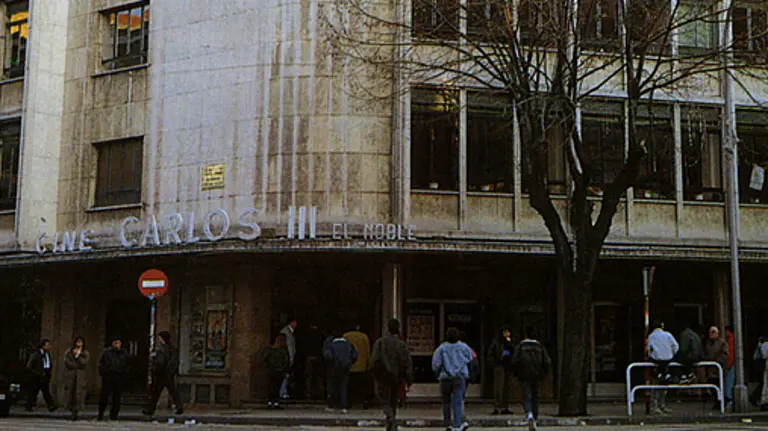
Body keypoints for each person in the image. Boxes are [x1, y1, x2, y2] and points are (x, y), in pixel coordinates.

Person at [371, 318, 413, 431]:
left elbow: (374, 360)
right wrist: (408, 379)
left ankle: (390, 419)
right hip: (396, 377)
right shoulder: (401, 344)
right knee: (393, 400)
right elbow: (407, 362)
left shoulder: (380, 342)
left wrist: (375, 374)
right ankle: (391, 421)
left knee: (384, 399)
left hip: (383, 376)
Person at [510, 326, 551, 431]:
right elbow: (547, 362)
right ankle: (535, 419)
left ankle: (529, 414)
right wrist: (543, 373)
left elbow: (514, 361)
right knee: (536, 397)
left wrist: (517, 373)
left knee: (527, 395)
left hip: (525, 374)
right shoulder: (540, 347)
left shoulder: (521, 346)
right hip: (537, 374)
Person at [432, 327, 473, 431]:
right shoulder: (463, 347)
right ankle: (457, 424)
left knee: (446, 401)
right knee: (457, 400)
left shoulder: (442, 348)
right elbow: (470, 358)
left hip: (445, 377)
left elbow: (435, 364)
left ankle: (447, 423)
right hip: (459, 377)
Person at [143, 331, 184, 416]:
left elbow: (160, 362)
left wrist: (156, 369)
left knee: (156, 393)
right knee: (172, 391)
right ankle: (179, 407)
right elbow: (174, 362)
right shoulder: (172, 349)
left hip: (161, 374)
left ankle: (150, 409)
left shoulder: (161, 349)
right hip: (168, 374)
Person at [648, 321, 678, 415]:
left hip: (656, 362)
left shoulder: (651, 336)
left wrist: (653, 355)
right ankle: (663, 404)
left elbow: (649, 349)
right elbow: (676, 346)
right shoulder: (668, 335)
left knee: (656, 384)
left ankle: (655, 406)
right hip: (668, 361)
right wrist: (671, 354)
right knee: (664, 384)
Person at [323, 329, 358, 413]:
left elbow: (328, 356)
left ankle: (332, 404)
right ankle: (344, 405)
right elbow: (354, 355)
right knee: (344, 386)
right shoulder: (349, 344)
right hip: (346, 368)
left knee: (333, 386)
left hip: (334, 368)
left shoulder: (331, 345)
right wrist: (349, 362)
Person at [98, 335, 130, 421]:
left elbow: (127, 365)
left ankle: (114, 415)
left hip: (119, 377)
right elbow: (101, 364)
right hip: (108, 377)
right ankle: (100, 414)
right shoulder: (107, 352)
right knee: (104, 396)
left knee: (117, 398)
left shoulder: (124, 353)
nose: (117, 345)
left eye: (119, 343)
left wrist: (124, 375)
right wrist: (104, 373)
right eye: (116, 343)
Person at [486, 326, 514, 415]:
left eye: (508, 332)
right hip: (499, 366)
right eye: (505, 332)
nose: (506, 334)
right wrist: (494, 363)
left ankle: (505, 406)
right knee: (499, 387)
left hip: (508, 366)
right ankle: (497, 406)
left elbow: (514, 351)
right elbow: (490, 354)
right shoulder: (497, 343)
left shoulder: (510, 343)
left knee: (507, 387)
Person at [25, 338, 57, 412]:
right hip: (37, 376)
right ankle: (28, 405)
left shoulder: (47, 354)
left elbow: (49, 363)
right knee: (34, 391)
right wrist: (36, 373)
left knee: (46, 391)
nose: (49, 347)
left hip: (45, 374)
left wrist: (49, 372)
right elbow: (29, 366)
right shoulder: (36, 355)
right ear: (42, 346)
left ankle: (51, 405)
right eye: (47, 345)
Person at [62, 336, 90, 421]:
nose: (78, 344)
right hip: (71, 376)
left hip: (80, 377)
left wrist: (78, 356)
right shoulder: (69, 352)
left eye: (80, 342)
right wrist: (75, 364)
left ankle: (76, 411)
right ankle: (71, 410)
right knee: (70, 393)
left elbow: (84, 363)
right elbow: (67, 362)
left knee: (78, 395)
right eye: (77, 342)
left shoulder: (85, 353)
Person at [344, 325, 372, 408]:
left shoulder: (346, 336)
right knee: (361, 386)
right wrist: (368, 363)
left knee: (350, 385)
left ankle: (349, 403)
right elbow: (368, 351)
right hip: (362, 365)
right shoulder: (364, 337)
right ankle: (362, 402)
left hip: (349, 365)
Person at [704, 326, 729, 410]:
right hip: (710, 369)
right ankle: (717, 401)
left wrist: (718, 361)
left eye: (713, 332)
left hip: (718, 368)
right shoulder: (708, 344)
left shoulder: (722, 343)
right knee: (712, 385)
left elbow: (725, 354)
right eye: (710, 332)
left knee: (720, 385)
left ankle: (721, 402)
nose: (711, 334)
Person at [264, 334, 290, 409]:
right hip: (279, 372)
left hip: (272, 371)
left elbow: (266, 359)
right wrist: (284, 369)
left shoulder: (270, 350)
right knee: (277, 387)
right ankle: (275, 402)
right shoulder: (283, 350)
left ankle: (270, 402)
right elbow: (286, 361)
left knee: (271, 387)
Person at [279, 317, 298, 399]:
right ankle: (282, 392)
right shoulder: (286, 332)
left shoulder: (289, 332)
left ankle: (284, 391)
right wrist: (290, 357)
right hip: (286, 356)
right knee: (285, 375)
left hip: (288, 356)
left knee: (287, 375)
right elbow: (289, 345)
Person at [751, 337, 767, 407]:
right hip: (763, 365)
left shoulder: (762, 346)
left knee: (764, 383)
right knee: (765, 383)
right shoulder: (765, 345)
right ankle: (763, 400)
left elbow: (763, 356)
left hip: (762, 366)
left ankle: (763, 400)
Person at [725, 324, 735, 408]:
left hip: (731, 363)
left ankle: (729, 398)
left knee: (729, 380)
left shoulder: (730, 339)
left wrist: (728, 364)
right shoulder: (731, 339)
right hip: (732, 362)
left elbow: (731, 353)